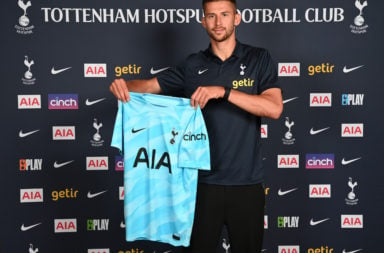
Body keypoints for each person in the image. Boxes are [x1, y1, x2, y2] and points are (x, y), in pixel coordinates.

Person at [109, 0, 283, 252]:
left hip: (246, 184)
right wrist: (123, 86)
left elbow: (274, 108)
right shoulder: (192, 65)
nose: (218, 22)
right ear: (203, 21)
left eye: (224, 14)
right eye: (211, 16)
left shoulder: (259, 58)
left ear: (237, 18)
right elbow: (147, 87)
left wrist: (223, 92)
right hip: (199, 186)